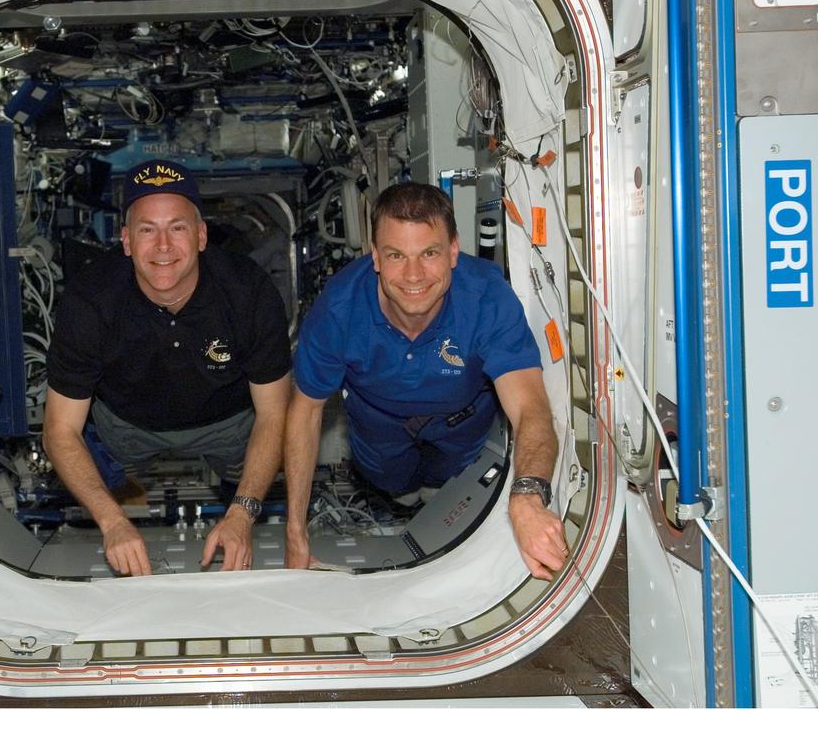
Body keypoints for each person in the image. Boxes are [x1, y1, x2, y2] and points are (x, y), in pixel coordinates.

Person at [283, 182, 569, 580]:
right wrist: (295, 532)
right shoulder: (339, 309)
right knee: (396, 486)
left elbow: (530, 408)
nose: (413, 275)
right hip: (378, 424)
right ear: (375, 256)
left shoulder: (486, 296)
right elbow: (305, 412)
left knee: (445, 489)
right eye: (396, 255)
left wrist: (527, 498)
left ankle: (433, 501)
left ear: (454, 250)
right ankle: (404, 499)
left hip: (462, 422)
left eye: (429, 253)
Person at [44, 159, 292, 577]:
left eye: (176, 227)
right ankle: (126, 505)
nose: (162, 246)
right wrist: (112, 522)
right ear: (125, 241)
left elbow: (274, 413)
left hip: (228, 423)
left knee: (246, 474)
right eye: (147, 229)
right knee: (110, 480)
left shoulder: (247, 292)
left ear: (200, 236)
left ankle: (232, 508)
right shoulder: (90, 301)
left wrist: (243, 514)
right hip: (126, 427)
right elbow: (59, 431)